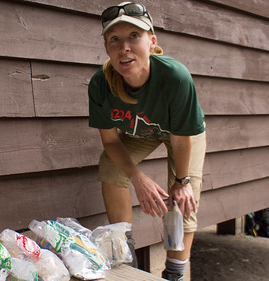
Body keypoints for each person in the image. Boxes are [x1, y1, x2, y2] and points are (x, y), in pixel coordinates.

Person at [88, 2, 207, 280]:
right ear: (107, 48)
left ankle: (174, 274)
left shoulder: (175, 77)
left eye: (134, 36)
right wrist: (138, 179)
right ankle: (123, 254)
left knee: (184, 201)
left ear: (152, 42)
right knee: (110, 167)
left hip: (183, 133)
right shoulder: (101, 84)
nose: (124, 47)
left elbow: (181, 140)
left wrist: (182, 182)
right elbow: (111, 143)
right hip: (142, 130)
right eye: (114, 39)